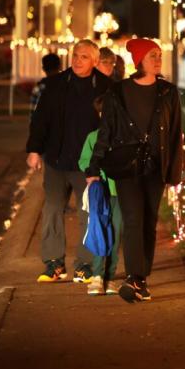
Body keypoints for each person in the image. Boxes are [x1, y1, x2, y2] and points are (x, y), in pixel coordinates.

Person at [87, 38, 184, 303]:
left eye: (159, 55)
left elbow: (176, 135)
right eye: (152, 55)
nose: (157, 59)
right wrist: (93, 167)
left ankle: (141, 278)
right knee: (132, 219)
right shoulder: (117, 92)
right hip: (126, 166)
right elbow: (105, 132)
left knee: (148, 220)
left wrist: (175, 172)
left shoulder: (168, 92)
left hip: (156, 167)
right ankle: (134, 277)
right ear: (139, 60)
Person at [27, 39, 112, 283]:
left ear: (95, 62)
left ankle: (84, 264)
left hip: (86, 164)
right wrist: (34, 150)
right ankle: (53, 262)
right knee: (52, 209)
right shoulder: (56, 84)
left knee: (87, 213)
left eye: (84, 57)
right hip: (56, 159)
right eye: (75, 55)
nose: (77, 60)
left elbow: (110, 128)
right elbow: (40, 119)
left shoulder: (106, 87)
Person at [77, 95, 123, 296]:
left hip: (120, 193)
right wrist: (92, 172)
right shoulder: (93, 137)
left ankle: (110, 277)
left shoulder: (124, 136)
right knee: (98, 229)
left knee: (116, 233)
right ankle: (97, 275)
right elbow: (84, 161)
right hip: (100, 192)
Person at [29, 53, 62, 117]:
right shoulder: (67, 86)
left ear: (43, 68)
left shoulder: (39, 88)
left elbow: (33, 113)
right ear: (59, 66)